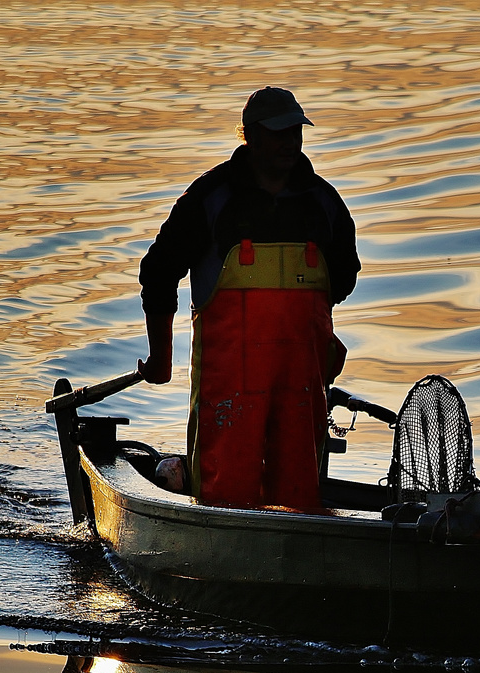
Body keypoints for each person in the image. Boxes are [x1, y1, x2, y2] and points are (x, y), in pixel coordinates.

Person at [137, 86, 360, 510]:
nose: (288, 142)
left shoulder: (323, 203)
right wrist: (161, 360)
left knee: (301, 498)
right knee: (223, 493)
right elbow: (159, 270)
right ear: (250, 136)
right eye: (277, 133)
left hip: (300, 388)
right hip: (228, 391)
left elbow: (343, 280)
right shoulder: (211, 197)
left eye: (295, 132)